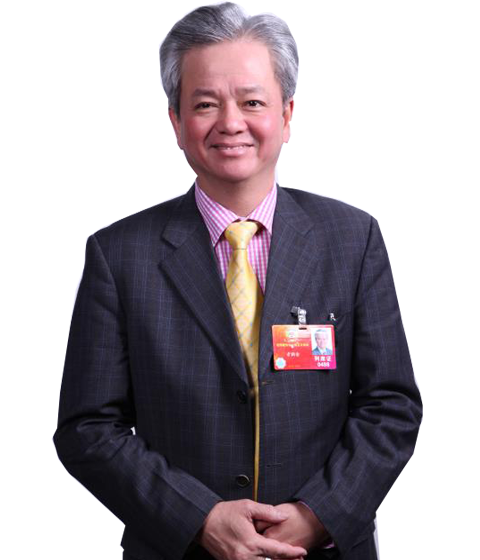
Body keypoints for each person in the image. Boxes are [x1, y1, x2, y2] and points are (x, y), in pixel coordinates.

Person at [54, 4, 422, 560]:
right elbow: (87, 428)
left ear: (287, 115)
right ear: (176, 121)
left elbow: (390, 404)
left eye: (252, 102)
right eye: (205, 104)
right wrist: (197, 518)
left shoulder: (352, 239)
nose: (230, 123)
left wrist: (319, 514)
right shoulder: (119, 255)